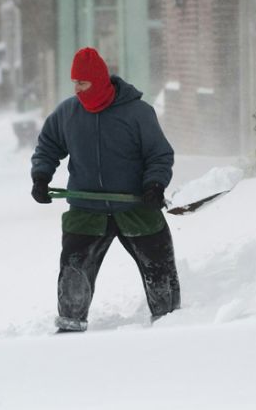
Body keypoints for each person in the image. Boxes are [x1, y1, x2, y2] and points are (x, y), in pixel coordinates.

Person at [31, 47, 180, 333]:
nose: (77, 88)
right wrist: (40, 176)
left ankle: (170, 325)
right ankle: (70, 327)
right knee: (74, 272)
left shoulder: (137, 113)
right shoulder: (68, 113)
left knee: (159, 270)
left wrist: (155, 184)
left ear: (98, 80)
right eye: (74, 82)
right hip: (86, 211)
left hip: (137, 207)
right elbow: (48, 146)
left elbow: (159, 155)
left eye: (82, 82)